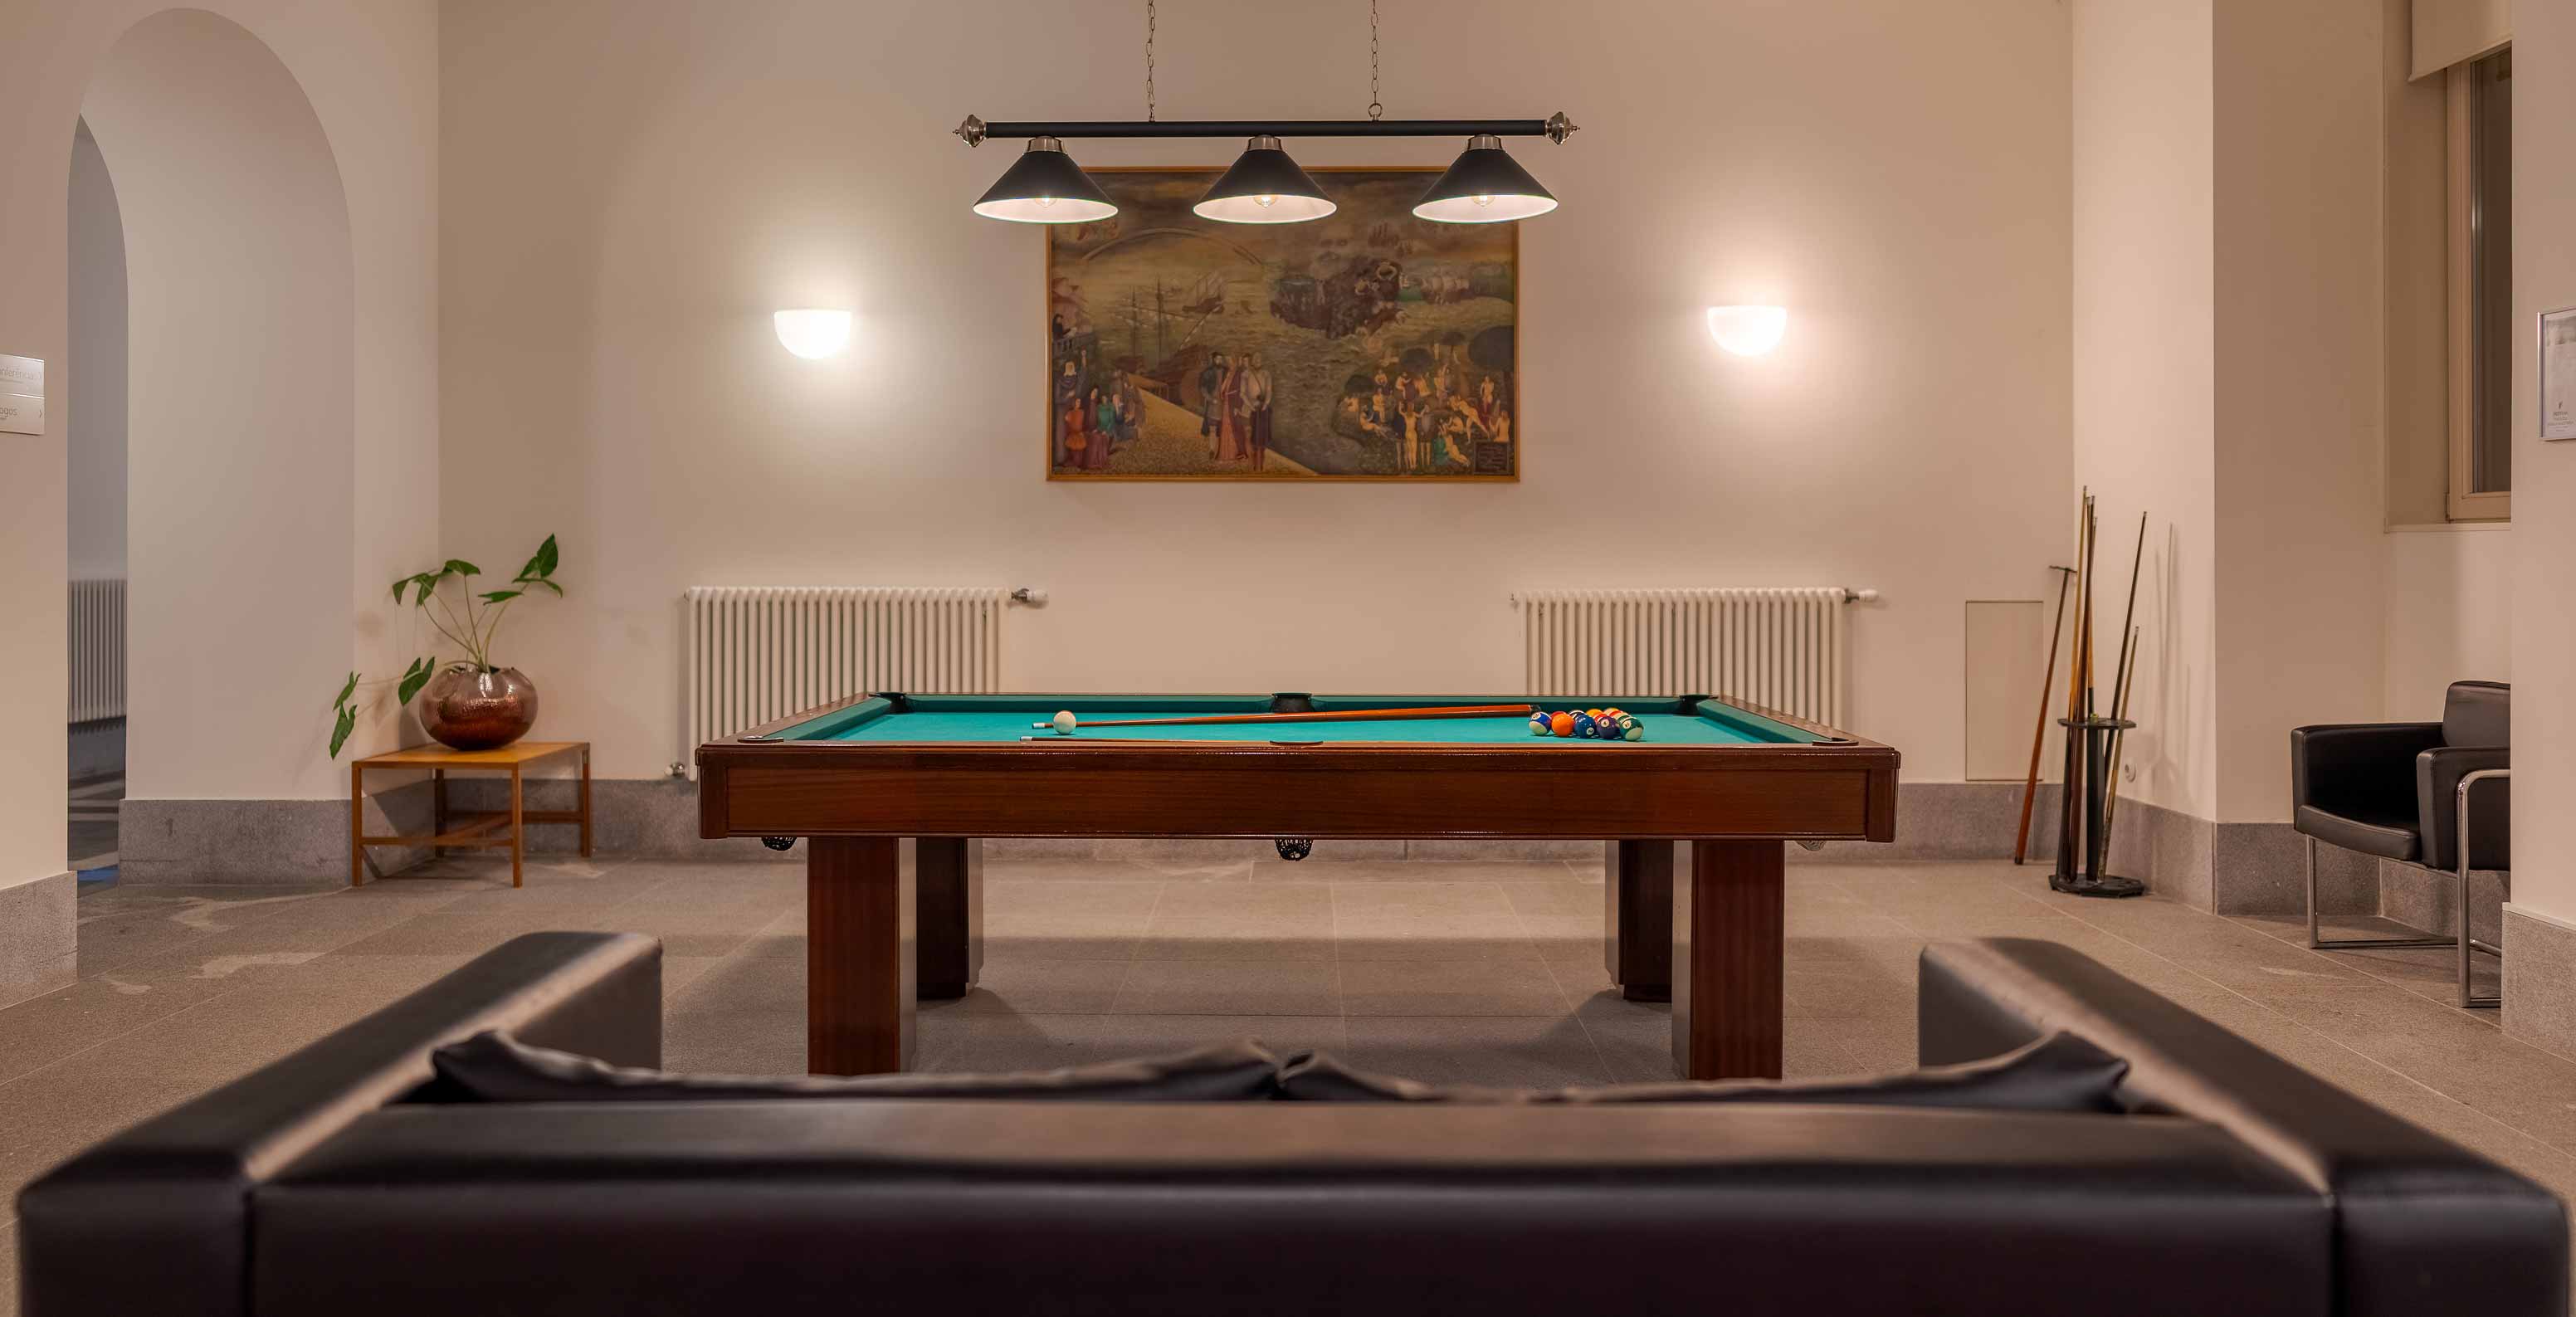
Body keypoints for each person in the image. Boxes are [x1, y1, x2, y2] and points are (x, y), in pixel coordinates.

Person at [1240, 351, 1273, 471]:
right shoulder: (1246, 374)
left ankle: (1259, 466)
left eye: (1260, 358)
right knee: (1249, 437)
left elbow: (1269, 391)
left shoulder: (1266, 374)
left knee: (1261, 442)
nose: (1258, 360)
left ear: (1262, 360)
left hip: (1262, 411)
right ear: (1252, 361)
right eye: (1255, 358)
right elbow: (1242, 393)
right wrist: (1251, 405)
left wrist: (1265, 404)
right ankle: (1251, 463)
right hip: (1248, 411)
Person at [1218, 353, 1246, 461]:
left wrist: (1238, 406)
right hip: (1227, 403)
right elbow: (1222, 389)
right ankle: (1226, 453)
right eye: (1227, 361)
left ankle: (1240, 452)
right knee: (1226, 426)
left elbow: (1242, 391)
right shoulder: (1228, 373)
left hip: (1234, 403)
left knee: (1236, 427)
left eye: (1230, 360)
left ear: (1234, 360)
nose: (1229, 363)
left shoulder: (1239, 372)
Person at [1199, 352, 1227, 456]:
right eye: (1217, 359)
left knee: (1222, 430)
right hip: (1213, 405)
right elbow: (1203, 389)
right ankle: (1212, 449)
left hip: (1224, 405)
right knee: (1212, 428)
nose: (1219, 361)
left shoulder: (1226, 372)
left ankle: (1220, 451)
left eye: (1221, 359)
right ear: (1214, 360)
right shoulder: (1208, 372)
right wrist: (1210, 399)